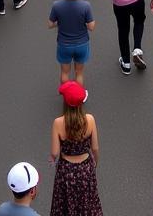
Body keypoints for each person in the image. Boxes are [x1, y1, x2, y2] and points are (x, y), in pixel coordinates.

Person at [49, 81, 103, 216]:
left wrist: (52, 159)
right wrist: (95, 161)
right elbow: (95, 147)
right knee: (87, 201)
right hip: (86, 167)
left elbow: (55, 152)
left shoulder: (58, 123)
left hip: (66, 170)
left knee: (65, 204)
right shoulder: (90, 120)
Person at [49, 0, 96, 85]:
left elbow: (50, 24)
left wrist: (60, 21)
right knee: (79, 73)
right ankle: (78, 97)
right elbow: (91, 27)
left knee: (65, 72)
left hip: (64, 45)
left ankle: (66, 95)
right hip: (82, 45)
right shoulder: (86, 6)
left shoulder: (57, 5)